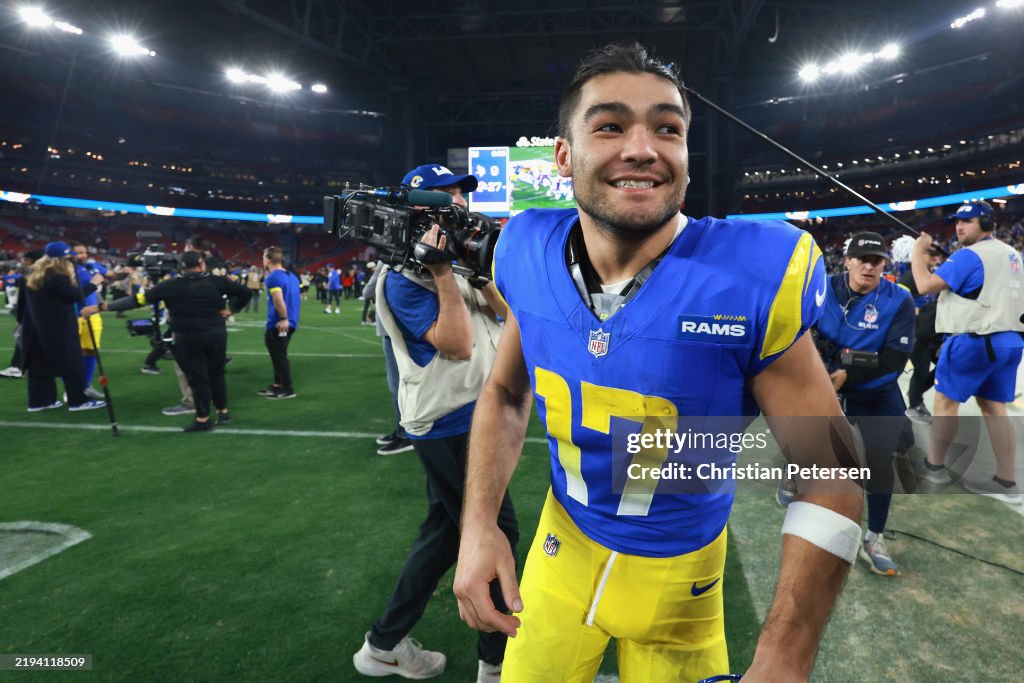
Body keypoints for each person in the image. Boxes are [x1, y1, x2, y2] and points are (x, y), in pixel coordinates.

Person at [452, 43, 863, 682]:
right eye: (610, 125)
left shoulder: (750, 274)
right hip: (559, 555)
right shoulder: (524, 248)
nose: (643, 147)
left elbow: (832, 473)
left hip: (683, 584)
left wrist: (785, 660)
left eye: (667, 128)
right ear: (563, 156)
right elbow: (507, 393)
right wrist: (478, 526)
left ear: (686, 157)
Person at [353, 164, 519, 682]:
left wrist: (476, 273)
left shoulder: (459, 263)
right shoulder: (402, 278)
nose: (458, 204)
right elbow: (458, 343)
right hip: (450, 422)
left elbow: (504, 316)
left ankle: (383, 645)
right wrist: (445, 274)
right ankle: (495, 665)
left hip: (476, 411)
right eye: (444, 196)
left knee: (447, 531)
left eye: (459, 194)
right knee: (494, 532)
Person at [811, 232, 915, 575]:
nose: (870, 266)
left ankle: (874, 537)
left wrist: (847, 373)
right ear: (848, 261)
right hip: (823, 382)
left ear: (885, 264)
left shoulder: (898, 299)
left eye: (877, 260)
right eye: (863, 259)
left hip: (875, 392)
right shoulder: (820, 288)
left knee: (880, 463)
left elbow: (893, 360)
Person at [911, 201, 1024, 504]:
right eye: (957, 221)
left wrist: (917, 252)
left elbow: (924, 285)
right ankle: (1006, 480)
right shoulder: (1013, 255)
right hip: (1010, 340)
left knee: (946, 404)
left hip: (974, 341)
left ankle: (934, 466)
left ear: (986, 223)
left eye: (968, 221)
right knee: (995, 409)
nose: (959, 227)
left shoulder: (969, 255)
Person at [82, 251, 251, 432]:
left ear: (180, 267)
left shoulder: (170, 285)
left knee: (197, 378)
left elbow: (136, 301)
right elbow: (245, 293)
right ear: (201, 265)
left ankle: (203, 419)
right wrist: (231, 310)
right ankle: (223, 412)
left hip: (188, 336)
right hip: (216, 333)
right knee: (217, 374)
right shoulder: (217, 281)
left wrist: (101, 306)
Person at [18, 242, 106, 412]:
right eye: (68, 258)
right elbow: (74, 296)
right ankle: (78, 401)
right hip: (58, 325)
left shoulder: (32, 273)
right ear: (60, 260)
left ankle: (40, 401)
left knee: (39, 364)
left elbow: (23, 303)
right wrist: (94, 283)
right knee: (72, 362)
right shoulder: (56, 276)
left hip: (36, 326)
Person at [900, 246, 943, 423]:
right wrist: (911, 312)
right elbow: (899, 299)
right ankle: (915, 405)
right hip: (916, 333)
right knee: (921, 369)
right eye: (930, 254)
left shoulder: (933, 277)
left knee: (944, 367)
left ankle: (915, 393)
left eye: (936, 255)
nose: (935, 258)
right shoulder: (911, 276)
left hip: (933, 333)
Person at [256, 247, 299, 400]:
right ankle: (277, 385)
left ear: (268, 259)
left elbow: (278, 299)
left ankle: (287, 388)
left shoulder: (273, 277)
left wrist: (283, 318)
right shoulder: (292, 276)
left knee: (278, 356)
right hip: (291, 321)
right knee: (279, 354)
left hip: (280, 322)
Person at [70, 241, 109, 400]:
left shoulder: (91, 267)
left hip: (92, 316)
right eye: (79, 253)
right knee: (72, 354)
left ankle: (85, 386)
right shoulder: (68, 271)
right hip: (75, 316)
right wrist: (94, 283)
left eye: (85, 252)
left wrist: (128, 269)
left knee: (91, 351)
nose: (84, 255)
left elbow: (111, 275)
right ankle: (73, 389)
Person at [1, 249, 44, 379]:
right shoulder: (49, 274)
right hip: (47, 316)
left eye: (25, 259)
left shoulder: (30, 274)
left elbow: (23, 299)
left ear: (32, 260)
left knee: (22, 338)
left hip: (31, 315)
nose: (23, 262)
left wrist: (20, 316)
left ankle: (17, 366)